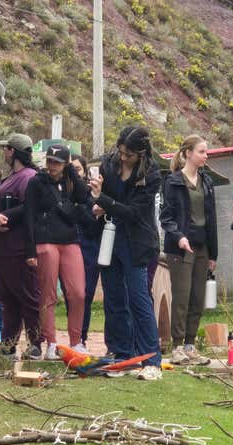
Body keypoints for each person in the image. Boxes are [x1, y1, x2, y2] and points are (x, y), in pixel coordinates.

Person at [89, 126, 163, 381]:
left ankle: (151, 359)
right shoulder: (109, 165)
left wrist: (104, 201)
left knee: (139, 299)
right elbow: (98, 197)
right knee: (113, 297)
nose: (123, 157)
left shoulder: (152, 174)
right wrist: (96, 198)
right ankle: (122, 355)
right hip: (109, 237)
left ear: (141, 153)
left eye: (128, 154)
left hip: (137, 241)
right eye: (121, 152)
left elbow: (133, 212)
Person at [24, 145, 91, 359]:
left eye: (57, 162)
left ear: (64, 164)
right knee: (48, 294)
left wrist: (72, 172)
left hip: (69, 239)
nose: (51, 166)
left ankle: (76, 341)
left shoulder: (70, 181)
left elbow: (84, 197)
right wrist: (30, 250)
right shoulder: (36, 182)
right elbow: (28, 216)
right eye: (50, 161)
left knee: (78, 292)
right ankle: (51, 343)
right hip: (45, 240)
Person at [161, 135, 218, 365]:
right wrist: (179, 237)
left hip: (202, 245)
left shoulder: (207, 182)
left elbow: (212, 218)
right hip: (180, 248)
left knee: (197, 298)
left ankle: (190, 345)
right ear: (187, 153)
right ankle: (176, 347)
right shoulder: (173, 181)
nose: (206, 155)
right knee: (182, 297)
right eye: (202, 151)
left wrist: (214, 254)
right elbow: (166, 217)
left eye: (206, 152)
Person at [0, 133, 44, 360]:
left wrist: (4, 217)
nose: (4, 153)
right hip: (2, 249)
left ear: (13, 151)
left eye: (6, 149)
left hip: (18, 248)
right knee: (8, 300)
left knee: (27, 297)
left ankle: (35, 344)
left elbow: (28, 208)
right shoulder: (12, 177)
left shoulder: (29, 177)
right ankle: (9, 344)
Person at [70, 154, 101, 347]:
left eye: (78, 169)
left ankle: (81, 337)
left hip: (89, 247)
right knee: (71, 295)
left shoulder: (91, 194)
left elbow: (94, 220)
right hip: (67, 245)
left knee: (86, 294)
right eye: (71, 169)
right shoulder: (61, 191)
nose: (75, 173)